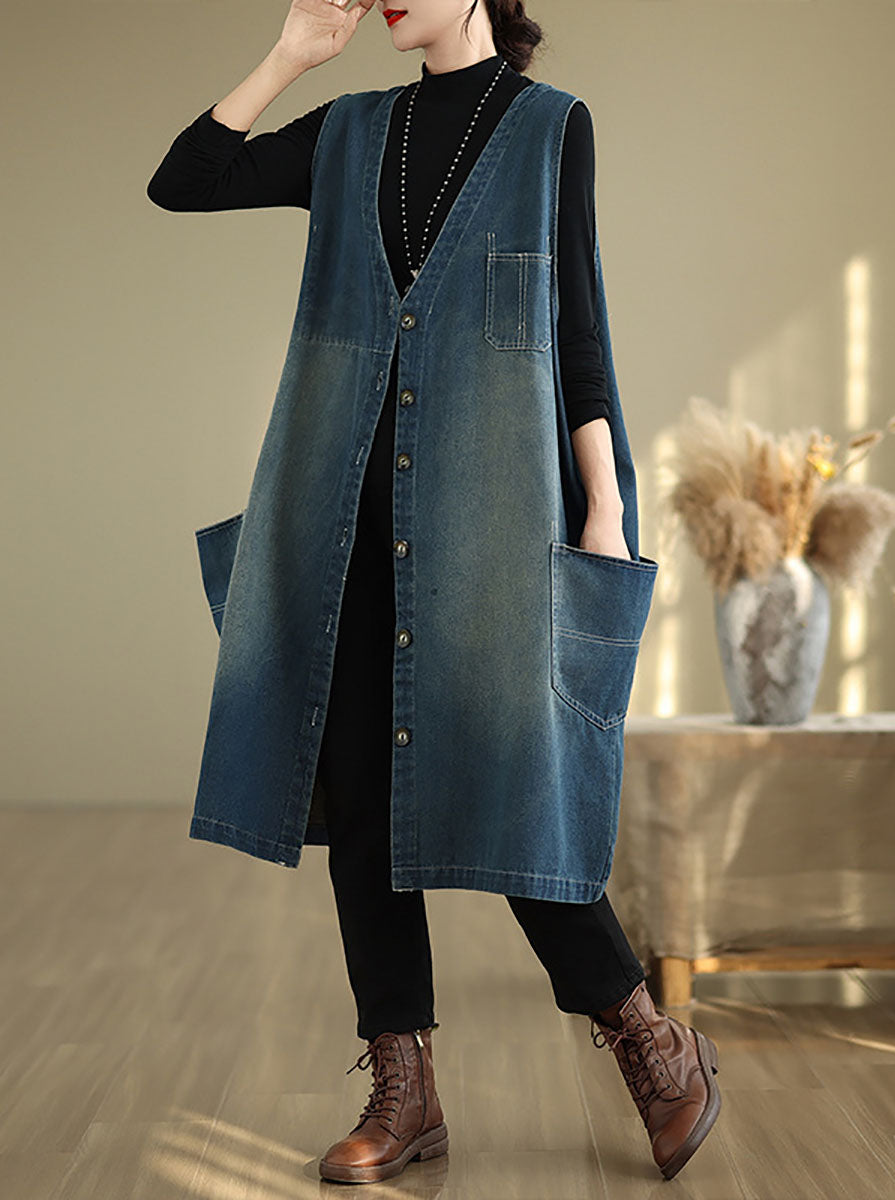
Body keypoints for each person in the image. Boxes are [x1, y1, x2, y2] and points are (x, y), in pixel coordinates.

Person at [147, 0, 721, 1184]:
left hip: (493, 524)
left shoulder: (552, 127)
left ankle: (650, 1044)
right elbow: (184, 182)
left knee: (514, 788)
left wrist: (605, 511)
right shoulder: (350, 130)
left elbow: (577, 331)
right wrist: (295, 52)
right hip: (343, 523)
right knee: (363, 796)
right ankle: (404, 1088)